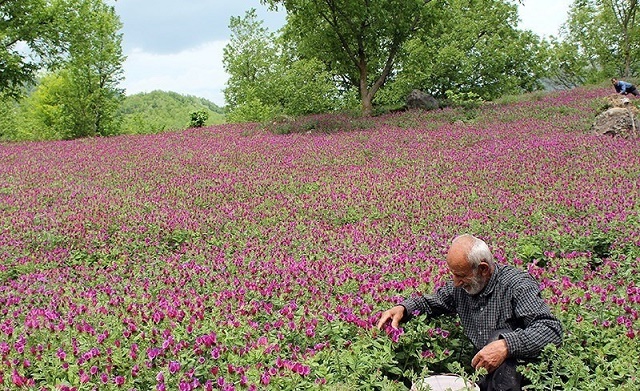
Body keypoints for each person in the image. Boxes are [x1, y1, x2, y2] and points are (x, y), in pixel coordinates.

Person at [377, 234, 563, 391]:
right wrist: (402, 308)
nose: (456, 282)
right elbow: (431, 302)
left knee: (500, 337)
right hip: (485, 374)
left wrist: (506, 346)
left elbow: (551, 329)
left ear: (483, 269)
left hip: (525, 378)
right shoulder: (462, 289)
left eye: (461, 275)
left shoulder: (517, 285)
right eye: (454, 275)